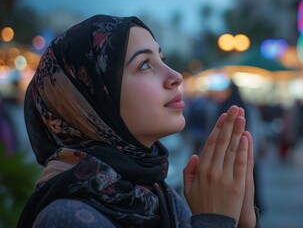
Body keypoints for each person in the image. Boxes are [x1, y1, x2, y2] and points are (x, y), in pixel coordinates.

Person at [17, 14, 259, 228]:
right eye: (145, 64)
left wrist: (243, 223)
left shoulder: (157, 195)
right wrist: (213, 222)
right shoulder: (66, 218)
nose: (175, 76)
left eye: (162, 59)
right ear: (90, 100)